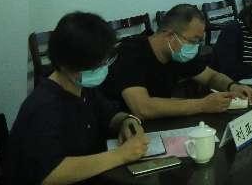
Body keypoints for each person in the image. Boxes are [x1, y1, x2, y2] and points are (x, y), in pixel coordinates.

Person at [8, 12, 149, 185]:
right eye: (95, 66)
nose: (102, 69)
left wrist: (128, 121)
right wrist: (121, 155)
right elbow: (50, 173)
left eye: (105, 62)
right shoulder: (44, 107)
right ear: (64, 64)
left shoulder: (82, 88)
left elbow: (109, 114)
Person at [102, 4, 252, 120]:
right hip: (123, 128)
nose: (196, 47)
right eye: (194, 41)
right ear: (170, 36)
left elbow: (211, 76)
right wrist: (202, 105)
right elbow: (143, 108)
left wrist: (233, 86)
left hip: (160, 123)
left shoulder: (177, 52)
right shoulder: (130, 53)